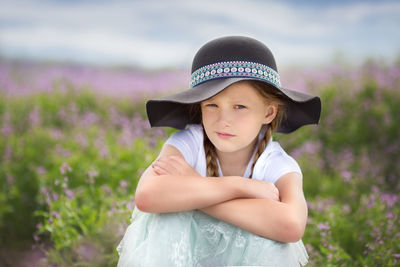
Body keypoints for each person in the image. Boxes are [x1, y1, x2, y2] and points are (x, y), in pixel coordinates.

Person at [116, 36, 321, 266]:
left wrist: (194, 186)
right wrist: (240, 186)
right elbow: (147, 196)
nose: (223, 120)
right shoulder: (189, 142)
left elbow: (291, 226)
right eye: (212, 105)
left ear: (268, 113)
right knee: (166, 220)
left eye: (239, 107)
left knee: (275, 242)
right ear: (199, 106)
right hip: (187, 257)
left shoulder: (277, 164)